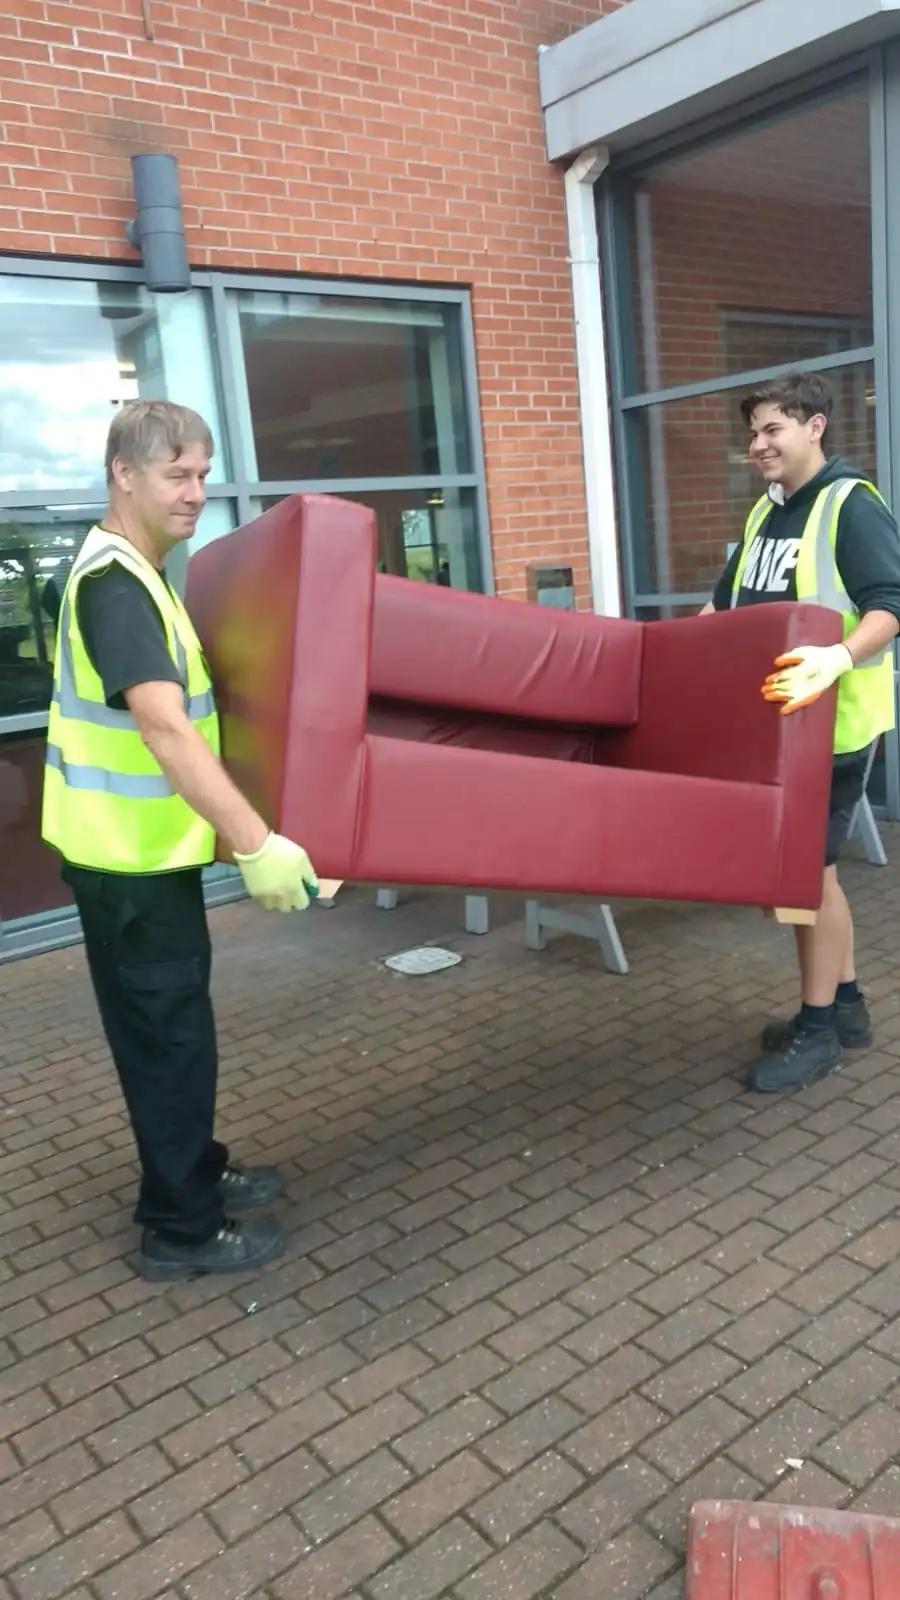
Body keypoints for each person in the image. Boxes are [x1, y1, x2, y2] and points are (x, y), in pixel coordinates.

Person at [42, 400, 320, 1279]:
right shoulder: (116, 584)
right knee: (168, 1041)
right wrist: (253, 841)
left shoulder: (140, 571)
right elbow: (165, 731)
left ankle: (193, 1169)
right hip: (126, 863)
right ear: (125, 474)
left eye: (203, 474)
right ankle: (181, 1229)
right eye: (178, 475)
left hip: (141, 858)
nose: (198, 493)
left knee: (173, 1030)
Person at [705, 373, 900, 1094]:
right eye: (752, 432)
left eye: (772, 430)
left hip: (835, 728)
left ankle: (817, 1032)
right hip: (780, 727)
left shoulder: (850, 506)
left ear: (815, 427)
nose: (757, 445)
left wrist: (840, 656)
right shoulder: (767, 512)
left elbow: (891, 603)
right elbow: (724, 604)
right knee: (813, 875)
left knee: (801, 881)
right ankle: (844, 1010)